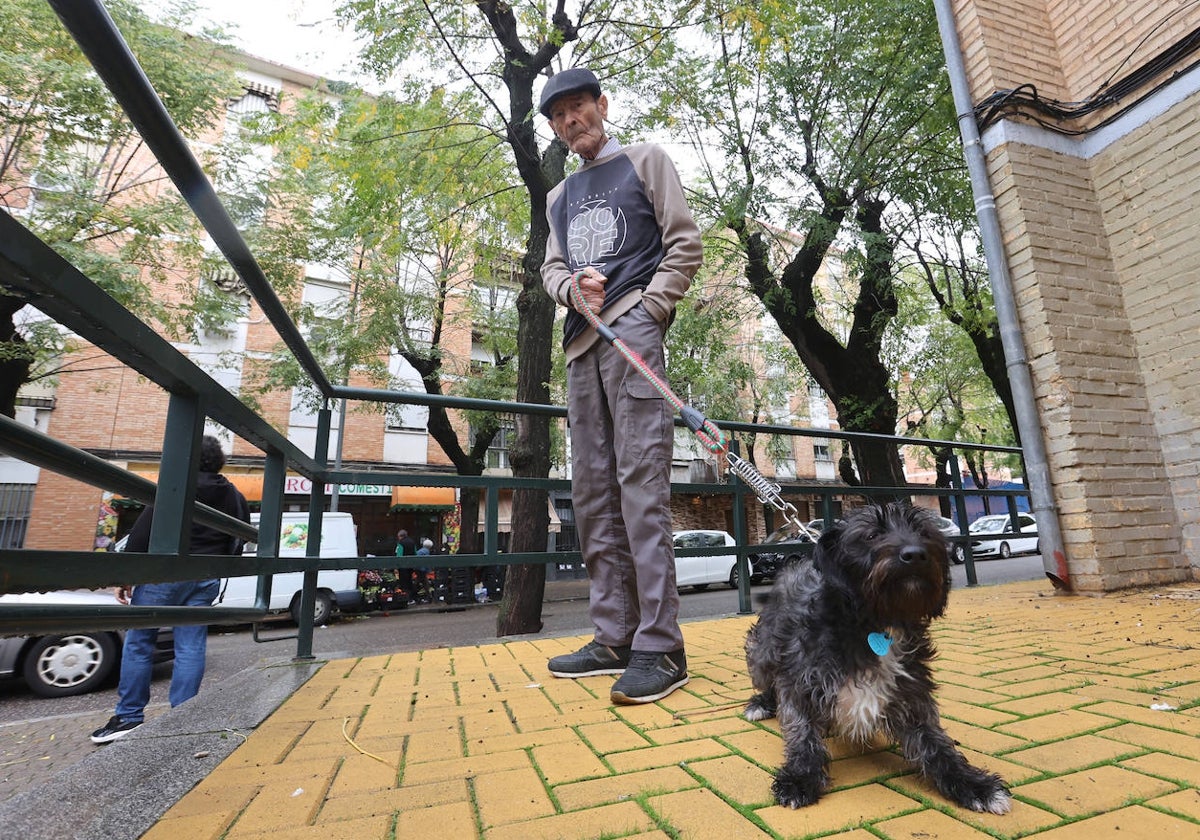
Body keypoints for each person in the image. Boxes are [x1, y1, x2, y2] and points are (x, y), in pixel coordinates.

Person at [538, 68, 703, 704]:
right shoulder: (559, 198)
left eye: (578, 108)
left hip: (632, 336)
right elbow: (551, 266)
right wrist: (569, 289)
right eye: (558, 117)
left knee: (640, 487)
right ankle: (614, 637)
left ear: (601, 106)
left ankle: (661, 646)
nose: (570, 122)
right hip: (581, 346)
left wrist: (650, 310)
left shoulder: (646, 160)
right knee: (592, 495)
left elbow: (684, 243)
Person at [90, 435, 251, 744]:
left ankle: (129, 716)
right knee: (190, 646)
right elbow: (239, 536)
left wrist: (126, 576)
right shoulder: (234, 494)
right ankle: (184, 714)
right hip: (205, 577)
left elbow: (142, 534)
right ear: (219, 461)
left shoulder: (175, 488)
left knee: (139, 642)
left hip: (162, 576)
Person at [395, 528, 418, 603]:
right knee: (409, 581)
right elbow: (415, 553)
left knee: (403, 582)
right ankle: (412, 598)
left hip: (403, 566)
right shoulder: (412, 542)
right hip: (411, 565)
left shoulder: (400, 543)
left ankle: (405, 598)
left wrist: (396, 565)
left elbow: (399, 555)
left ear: (400, 536)